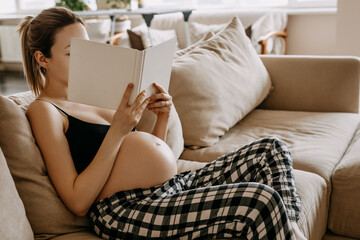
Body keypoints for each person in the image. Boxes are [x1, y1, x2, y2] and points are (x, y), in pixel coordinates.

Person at [19, 7, 306, 240]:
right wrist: (117, 131)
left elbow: (148, 157)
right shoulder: (45, 110)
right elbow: (77, 200)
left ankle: (290, 232)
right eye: (72, 53)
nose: (84, 59)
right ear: (42, 58)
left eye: (87, 49)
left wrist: (162, 117)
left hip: (167, 188)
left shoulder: (96, 94)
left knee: (271, 150)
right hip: (124, 210)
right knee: (259, 200)